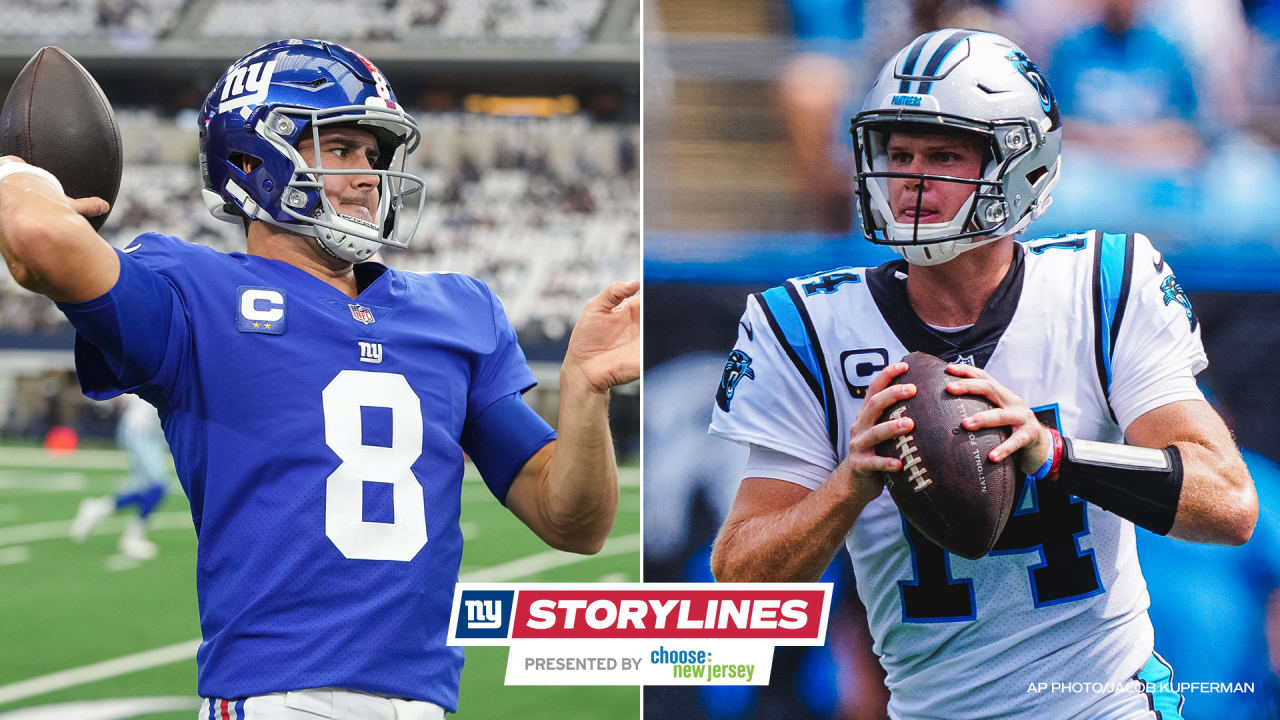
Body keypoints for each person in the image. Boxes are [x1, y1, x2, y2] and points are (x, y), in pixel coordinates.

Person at [0, 39, 639, 719]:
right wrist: (20, 176)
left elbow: (573, 523)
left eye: (371, 153)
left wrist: (584, 392)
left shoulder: (457, 310)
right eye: (338, 149)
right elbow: (39, 242)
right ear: (251, 160)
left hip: (425, 702)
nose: (367, 175)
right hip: (280, 697)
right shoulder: (196, 293)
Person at [709, 29, 1257, 720]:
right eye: (897, 152)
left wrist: (1055, 454)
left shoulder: (1102, 284)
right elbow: (739, 576)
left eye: (943, 155)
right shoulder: (805, 326)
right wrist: (847, 487)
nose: (910, 177)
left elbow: (1231, 506)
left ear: (1019, 163)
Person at [70, 393, 171, 560]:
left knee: (145, 489)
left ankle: (98, 509)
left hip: (149, 433)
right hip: (140, 431)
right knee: (158, 486)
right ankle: (132, 537)